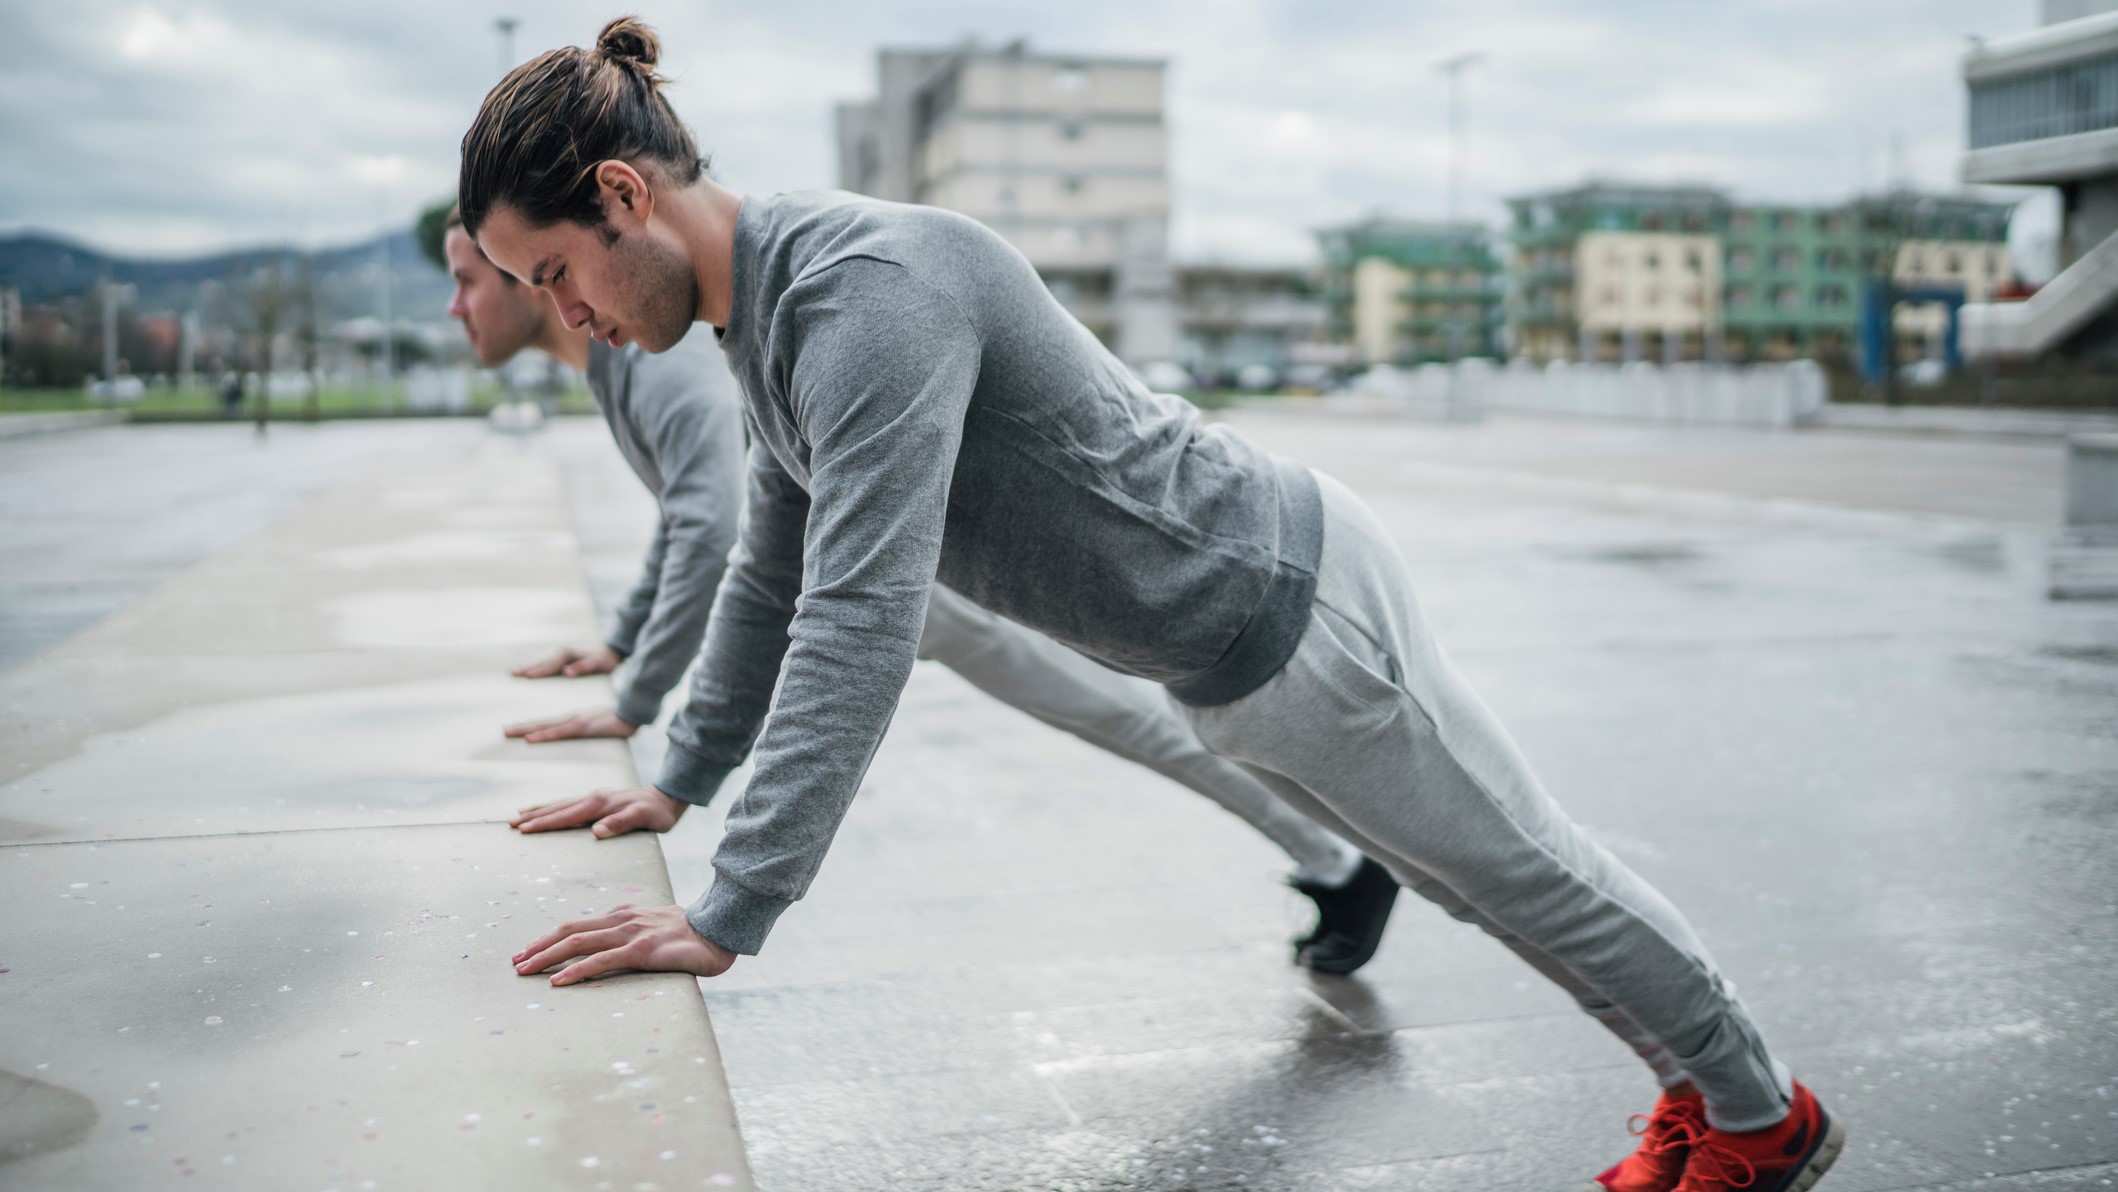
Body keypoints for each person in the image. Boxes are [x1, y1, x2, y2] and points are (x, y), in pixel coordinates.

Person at [460, 21, 1844, 1192]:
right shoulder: (759, 323)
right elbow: (773, 563)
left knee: (1524, 870)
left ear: (623, 194)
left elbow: (859, 611)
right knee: (1479, 886)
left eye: (554, 274)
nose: (562, 313)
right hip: (1230, 657)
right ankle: (1701, 1090)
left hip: (1291, 609)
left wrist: (734, 902)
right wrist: (681, 779)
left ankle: (1756, 1114)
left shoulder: (861, 291)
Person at [439, 209, 1398, 974]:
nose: (466, 302)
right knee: (1144, 720)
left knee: (1141, 721)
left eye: (486, 276)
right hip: (872, 563)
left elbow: (724, 535)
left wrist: (641, 711)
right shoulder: (619, 362)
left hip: (904, 571)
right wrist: (627, 669)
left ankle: (1343, 861)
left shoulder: (655, 359)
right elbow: (698, 529)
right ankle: (1337, 859)